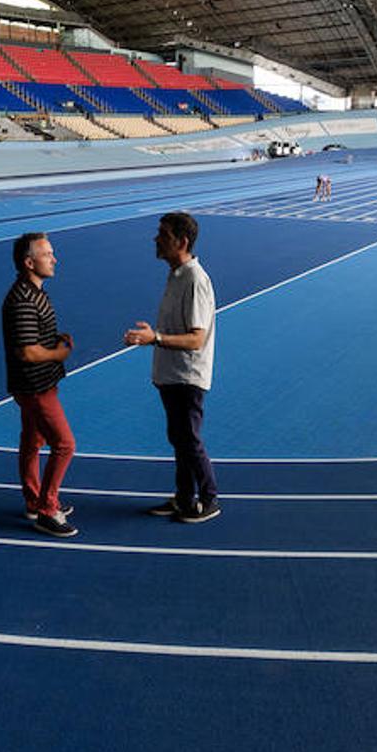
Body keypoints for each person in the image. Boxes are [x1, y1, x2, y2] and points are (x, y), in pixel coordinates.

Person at [122, 212, 220, 524]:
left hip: (187, 376)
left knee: (188, 439)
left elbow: (196, 339)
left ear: (182, 241)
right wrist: (155, 335)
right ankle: (183, 497)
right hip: (171, 374)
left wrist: (156, 338)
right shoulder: (177, 274)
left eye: (162, 234)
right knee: (179, 438)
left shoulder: (194, 280)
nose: (156, 239)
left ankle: (208, 498)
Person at [2, 232, 78, 538]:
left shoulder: (35, 292)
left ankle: (34, 500)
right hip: (35, 387)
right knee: (65, 444)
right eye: (47, 254)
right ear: (29, 262)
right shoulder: (22, 298)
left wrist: (56, 339)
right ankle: (47, 510)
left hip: (39, 383)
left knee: (33, 442)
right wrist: (59, 353)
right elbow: (27, 351)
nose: (54, 258)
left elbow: (35, 338)